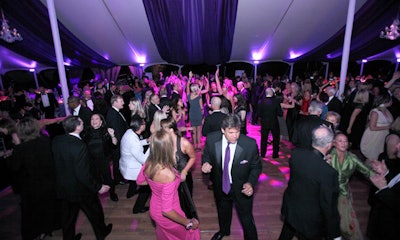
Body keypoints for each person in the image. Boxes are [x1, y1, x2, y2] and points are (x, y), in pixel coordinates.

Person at [202, 114, 262, 240]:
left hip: (241, 188)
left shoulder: (249, 144)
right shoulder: (212, 139)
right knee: (223, 212)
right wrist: (206, 163)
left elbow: (256, 166)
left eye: (237, 132)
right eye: (231, 132)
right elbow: (206, 155)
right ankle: (224, 231)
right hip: (221, 186)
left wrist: (250, 183)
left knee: (246, 218)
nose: (235, 136)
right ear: (223, 130)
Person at [52, 116, 112, 240]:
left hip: (64, 187)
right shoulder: (79, 146)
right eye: (81, 123)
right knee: (95, 213)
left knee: (68, 219)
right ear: (78, 127)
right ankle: (101, 233)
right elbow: (83, 174)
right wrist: (98, 187)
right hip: (82, 189)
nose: (84, 124)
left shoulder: (56, 140)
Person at [279, 126, 341, 240]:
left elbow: (308, 171)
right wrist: (335, 234)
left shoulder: (296, 154)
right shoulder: (329, 172)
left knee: (286, 234)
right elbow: (329, 206)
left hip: (291, 207)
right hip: (310, 220)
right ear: (330, 145)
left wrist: (322, 162)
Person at [137, 130, 200, 240]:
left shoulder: (150, 161)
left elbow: (140, 181)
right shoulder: (167, 174)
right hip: (169, 214)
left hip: (155, 207)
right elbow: (167, 211)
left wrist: (156, 185)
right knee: (188, 234)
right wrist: (188, 222)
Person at [10, 117, 59, 239]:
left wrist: (16, 146)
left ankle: (39, 232)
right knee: (49, 207)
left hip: (31, 186)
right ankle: (49, 228)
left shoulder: (21, 148)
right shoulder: (45, 141)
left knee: (33, 212)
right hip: (49, 181)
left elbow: (14, 167)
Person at [330, 133, 373, 240]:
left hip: (343, 193)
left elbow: (367, 171)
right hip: (328, 192)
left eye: (345, 141)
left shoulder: (352, 158)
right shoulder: (329, 155)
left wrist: (383, 179)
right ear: (334, 143)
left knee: (346, 223)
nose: (344, 143)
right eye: (340, 141)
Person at [83, 113, 118, 202]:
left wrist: (112, 135)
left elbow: (114, 145)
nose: (94, 121)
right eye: (92, 119)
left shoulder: (106, 131)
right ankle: (96, 196)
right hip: (91, 162)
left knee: (108, 179)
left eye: (96, 119)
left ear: (101, 121)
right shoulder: (86, 132)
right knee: (95, 179)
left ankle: (112, 194)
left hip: (103, 160)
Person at [119, 117, 151, 213]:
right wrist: (152, 146)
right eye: (144, 124)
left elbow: (135, 144)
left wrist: (147, 141)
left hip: (125, 165)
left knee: (134, 182)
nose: (145, 125)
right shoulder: (134, 141)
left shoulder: (129, 131)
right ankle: (138, 208)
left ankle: (130, 193)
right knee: (147, 187)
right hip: (132, 168)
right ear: (141, 127)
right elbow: (144, 159)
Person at [360, 92, 393, 162]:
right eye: (391, 100)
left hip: (383, 135)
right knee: (373, 155)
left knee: (380, 155)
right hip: (374, 136)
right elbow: (372, 127)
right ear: (386, 101)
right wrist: (387, 127)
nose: (392, 101)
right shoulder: (375, 112)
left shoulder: (386, 110)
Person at [106, 94, 128, 189]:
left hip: (119, 142)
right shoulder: (113, 114)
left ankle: (119, 178)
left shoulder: (116, 112)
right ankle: (118, 179)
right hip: (117, 143)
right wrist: (122, 143)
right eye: (121, 101)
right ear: (115, 103)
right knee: (117, 160)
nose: (123, 102)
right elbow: (117, 131)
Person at [258, 88, 283, 158]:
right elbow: (280, 113)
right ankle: (275, 154)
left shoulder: (261, 102)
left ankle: (263, 154)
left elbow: (259, 114)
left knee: (263, 139)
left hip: (264, 123)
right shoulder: (276, 101)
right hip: (274, 123)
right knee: (275, 139)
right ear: (271, 93)